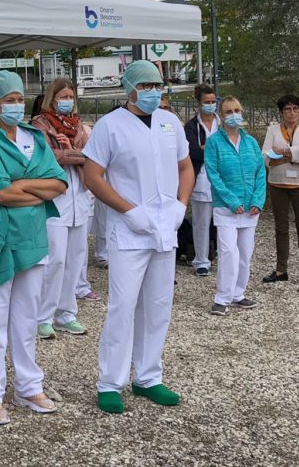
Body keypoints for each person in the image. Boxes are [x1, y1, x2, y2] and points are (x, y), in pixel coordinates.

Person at [83, 60, 194, 413]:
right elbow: (93, 176)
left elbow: (185, 166)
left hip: (165, 227)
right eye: (146, 86)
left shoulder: (169, 122)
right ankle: (109, 382)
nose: (154, 92)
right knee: (123, 305)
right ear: (130, 89)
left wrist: (181, 205)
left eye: (157, 86)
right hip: (129, 229)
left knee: (159, 304)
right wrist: (129, 209)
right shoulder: (109, 126)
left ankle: (148, 377)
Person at [0, 71, 67, 425]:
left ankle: (28, 386)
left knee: (26, 317)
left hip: (32, 238)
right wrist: (32, 187)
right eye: (9, 99)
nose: (16, 105)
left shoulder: (33, 136)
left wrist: (20, 182)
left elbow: (59, 183)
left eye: (19, 98)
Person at [31, 78, 93, 339]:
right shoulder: (40, 124)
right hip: (56, 199)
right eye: (62, 96)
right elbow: (52, 156)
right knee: (54, 259)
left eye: (70, 96)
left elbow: (97, 157)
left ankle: (66, 313)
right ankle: (42, 316)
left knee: (76, 258)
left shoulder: (79, 125)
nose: (67, 100)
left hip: (80, 198)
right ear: (52, 98)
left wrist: (73, 151)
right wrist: (79, 154)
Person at [202, 96, 265, 315]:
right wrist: (231, 200)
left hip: (250, 208)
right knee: (229, 251)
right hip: (226, 207)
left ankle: (239, 293)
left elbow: (260, 173)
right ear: (221, 114)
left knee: (246, 252)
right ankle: (222, 297)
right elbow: (213, 174)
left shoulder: (251, 143)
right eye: (228, 111)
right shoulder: (214, 142)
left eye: (237, 110)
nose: (233, 115)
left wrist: (258, 200)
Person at [261, 94, 299, 287]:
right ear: (281, 112)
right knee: (281, 226)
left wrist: (282, 153)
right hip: (277, 182)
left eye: (295, 109)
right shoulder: (272, 129)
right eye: (287, 109)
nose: (291, 112)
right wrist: (293, 157)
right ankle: (281, 269)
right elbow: (265, 157)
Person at [184, 83, 220, 277]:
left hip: (222, 179)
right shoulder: (191, 126)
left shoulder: (222, 124)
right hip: (201, 179)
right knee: (201, 222)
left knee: (224, 221)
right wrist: (212, 151)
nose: (211, 105)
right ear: (199, 103)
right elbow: (193, 152)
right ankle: (201, 260)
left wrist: (208, 149)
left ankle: (224, 256)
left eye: (214, 101)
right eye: (207, 102)